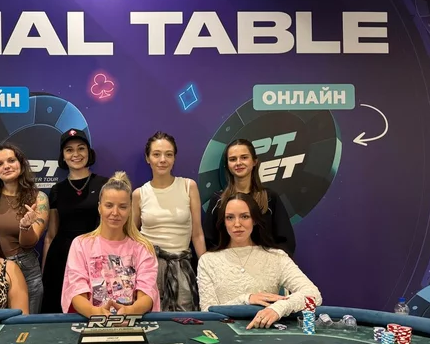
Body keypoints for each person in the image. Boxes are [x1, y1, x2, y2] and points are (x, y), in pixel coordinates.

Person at [197, 193, 321, 329]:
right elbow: (207, 312)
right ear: (224, 222)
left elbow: (313, 294)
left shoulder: (276, 257)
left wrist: (278, 308)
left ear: (254, 219)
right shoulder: (207, 261)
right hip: (224, 335)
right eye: (230, 217)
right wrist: (246, 299)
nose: (237, 224)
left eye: (245, 216)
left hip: (267, 333)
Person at [62, 172, 160, 317]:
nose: (115, 212)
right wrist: (95, 312)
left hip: (131, 324)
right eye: (109, 205)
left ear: (130, 210)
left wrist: (130, 311)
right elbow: (76, 291)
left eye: (122, 207)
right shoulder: (81, 244)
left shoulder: (143, 248)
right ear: (99, 207)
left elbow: (147, 294)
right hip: (91, 323)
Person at [133, 132, 206, 312]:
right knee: (150, 317)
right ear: (148, 158)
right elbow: (132, 238)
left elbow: (197, 234)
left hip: (182, 268)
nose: (162, 160)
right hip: (149, 269)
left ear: (174, 158)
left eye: (168, 154)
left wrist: (207, 268)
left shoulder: (188, 186)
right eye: (156, 154)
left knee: (185, 318)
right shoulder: (139, 194)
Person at [41, 129, 108, 313]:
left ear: (89, 152)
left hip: (95, 256)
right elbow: (51, 235)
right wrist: (45, 271)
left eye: (81, 148)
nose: (76, 154)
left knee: (96, 309)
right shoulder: (57, 190)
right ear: (63, 156)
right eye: (69, 150)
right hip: (62, 258)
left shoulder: (105, 185)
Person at [0, 143, 48, 314]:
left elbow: (30, 243)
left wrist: (25, 226)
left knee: (26, 325)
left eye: (11, 160)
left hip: (25, 269)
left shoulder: (39, 199)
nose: (6, 166)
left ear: (21, 164)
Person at [203, 139, 296, 256]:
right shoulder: (218, 201)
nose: (238, 163)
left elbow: (286, 242)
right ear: (227, 165)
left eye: (244, 157)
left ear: (254, 161)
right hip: (228, 265)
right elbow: (209, 242)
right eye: (233, 159)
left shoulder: (270, 198)